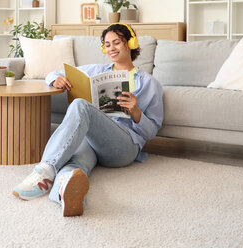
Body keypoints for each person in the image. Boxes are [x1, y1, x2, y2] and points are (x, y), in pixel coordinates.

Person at [12, 23, 164, 216]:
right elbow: (55, 72)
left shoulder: (150, 84)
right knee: (74, 163)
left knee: (80, 105)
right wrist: (54, 80)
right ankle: (63, 192)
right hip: (94, 141)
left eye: (116, 42)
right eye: (107, 45)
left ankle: (46, 169)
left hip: (124, 147)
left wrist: (136, 112)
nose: (111, 48)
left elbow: (152, 131)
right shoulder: (97, 70)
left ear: (131, 44)